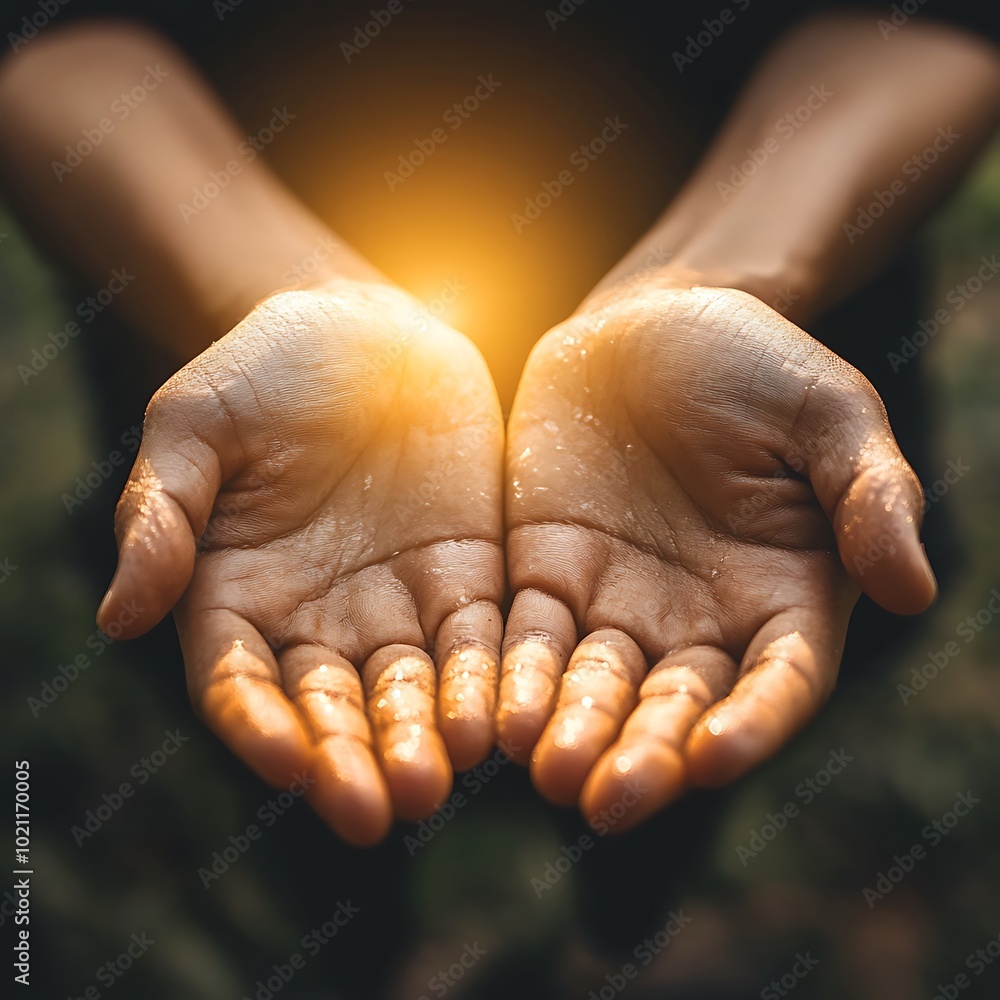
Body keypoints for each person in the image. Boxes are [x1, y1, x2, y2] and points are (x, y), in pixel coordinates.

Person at [1, 1, 997, 859]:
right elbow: (49, 30)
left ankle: (616, 918)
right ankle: (358, 932)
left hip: (712, 469)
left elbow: (930, 20)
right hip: (288, 473)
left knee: (666, 754)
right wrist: (278, 292)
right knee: (309, 765)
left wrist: (714, 277)